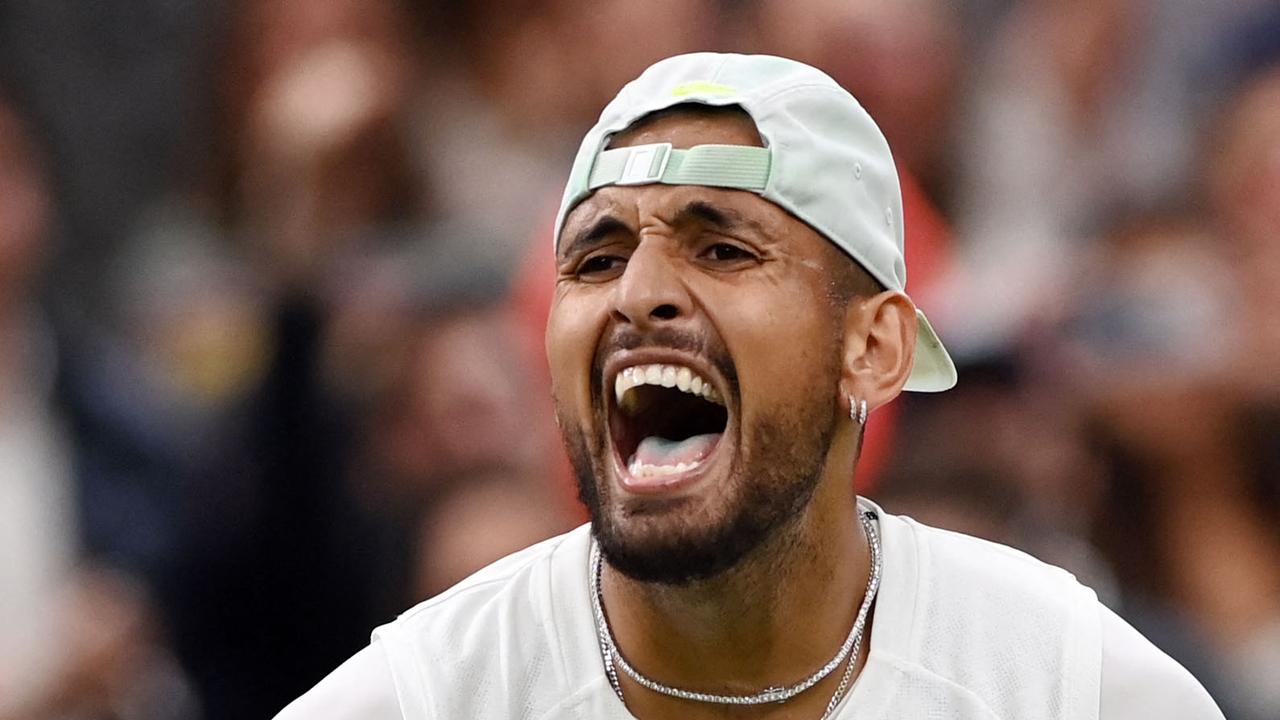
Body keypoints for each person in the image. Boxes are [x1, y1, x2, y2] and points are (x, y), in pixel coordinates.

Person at [274, 52, 1224, 719]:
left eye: (723, 248)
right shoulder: (421, 702)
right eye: (597, 259)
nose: (640, 296)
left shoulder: (1073, 694)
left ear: (875, 348)